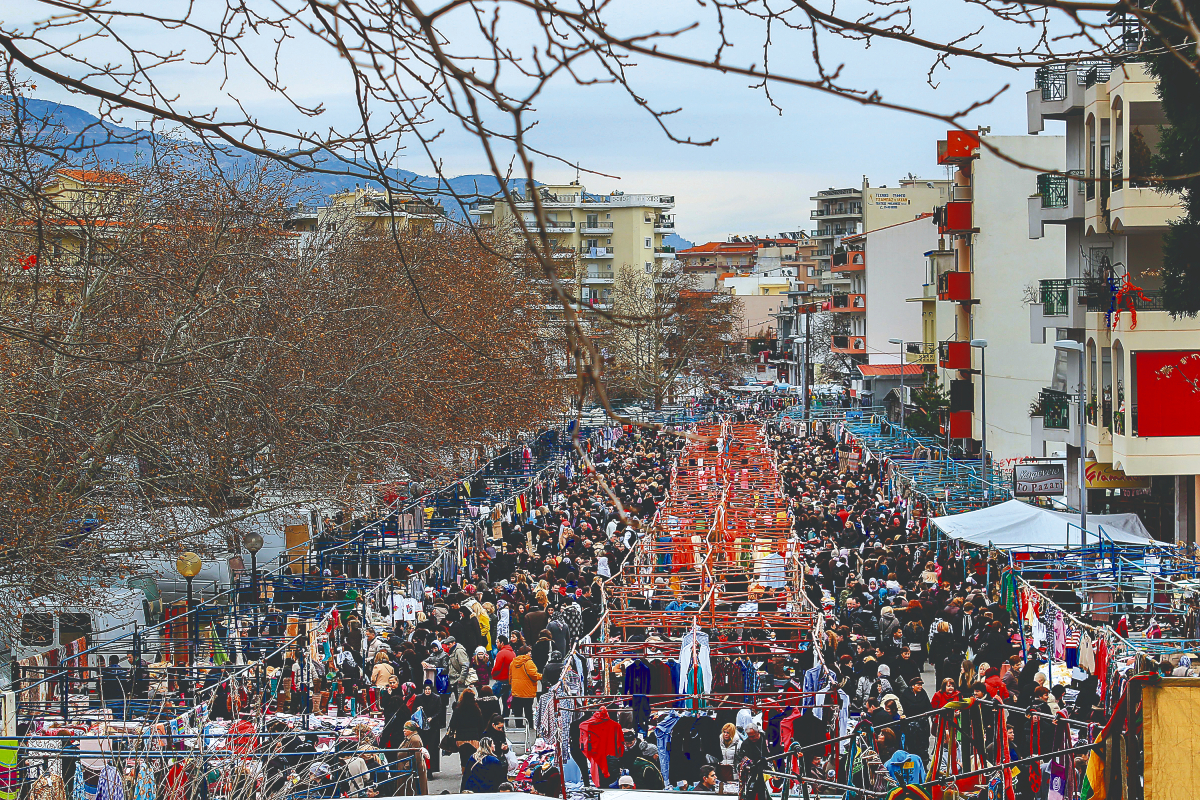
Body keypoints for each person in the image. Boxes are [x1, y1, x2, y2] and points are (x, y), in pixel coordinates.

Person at [448, 688, 484, 789]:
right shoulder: (476, 709)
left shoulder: (458, 709)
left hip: (461, 738)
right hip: (474, 738)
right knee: (474, 758)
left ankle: (465, 777)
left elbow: (452, 724)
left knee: (463, 759)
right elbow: (481, 724)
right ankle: (473, 775)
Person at [509, 645, 541, 729]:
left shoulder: (513, 662)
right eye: (529, 652)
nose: (530, 654)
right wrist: (542, 676)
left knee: (518, 709)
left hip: (516, 689)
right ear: (526, 653)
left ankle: (519, 725)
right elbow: (534, 675)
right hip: (527, 689)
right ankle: (530, 725)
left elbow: (510, 676)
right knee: (528, 709)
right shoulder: (529, 662)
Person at [398, 720, 429, 796]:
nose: (404, 730)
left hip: (412, 770)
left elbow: (416, 757)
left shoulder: (415, 740)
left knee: (414, 790)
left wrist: (407, 768)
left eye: (406, 729)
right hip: (408, 769)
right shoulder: (410, 737)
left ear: (411, 730)